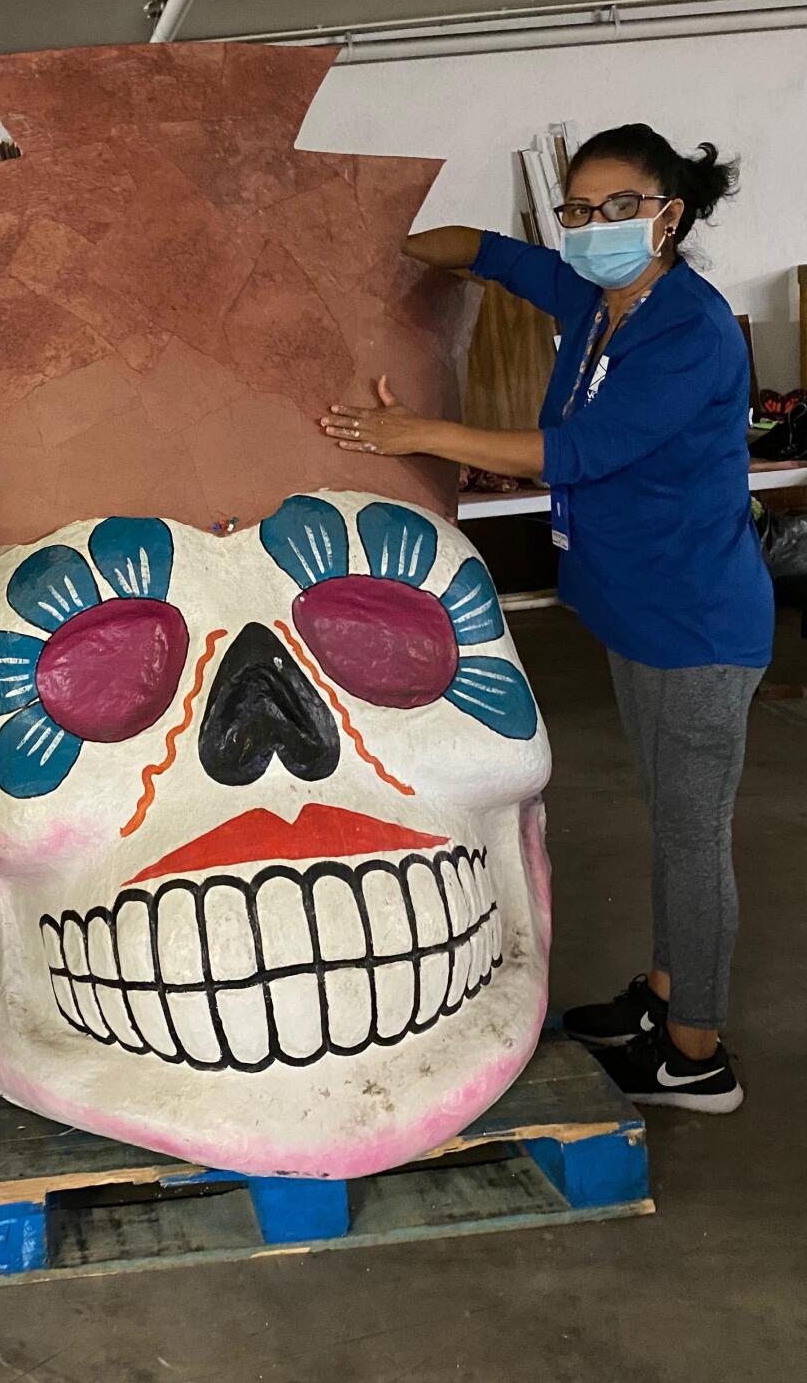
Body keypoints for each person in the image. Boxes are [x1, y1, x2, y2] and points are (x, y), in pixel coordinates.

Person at [320, 124, 773, 1114]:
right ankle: (664, 995)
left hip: (696, 625)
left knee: (692, 832)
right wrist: (378, 254)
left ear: (669, 214)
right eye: (579, 209)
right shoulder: (603, 299)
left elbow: (573, 452)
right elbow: (489, 252)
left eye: (620, 208)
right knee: (666, 817)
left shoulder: (685, 330)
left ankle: (694, 1052)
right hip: (636, 609)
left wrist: (413, 433)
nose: (594, 225)